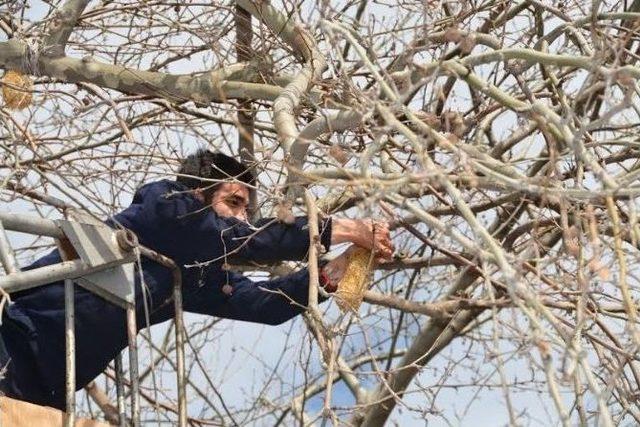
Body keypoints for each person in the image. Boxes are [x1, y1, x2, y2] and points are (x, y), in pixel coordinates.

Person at [0, 149, 394, 410]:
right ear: (198, 193)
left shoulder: (195, 275)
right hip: (11, 341)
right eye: (234, 203)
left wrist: (342, 268)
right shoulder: (165, 206)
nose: (242, 218)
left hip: (47, 385)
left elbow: (265, 304)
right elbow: (231, 237)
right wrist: (340, 228)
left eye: (248, 210)